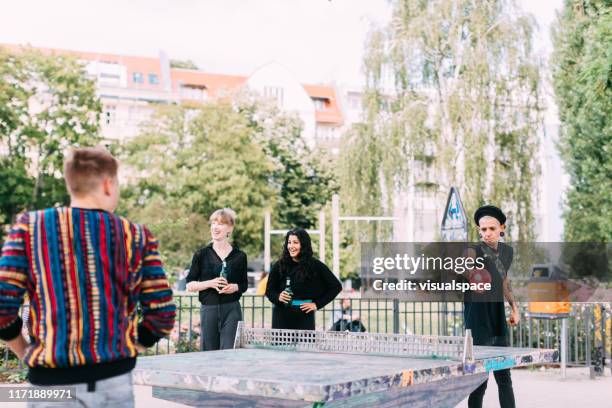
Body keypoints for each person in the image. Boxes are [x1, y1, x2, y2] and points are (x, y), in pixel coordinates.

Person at [0, 147, 176, 407]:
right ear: (108, 184)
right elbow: (162, 314)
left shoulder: (30, 227)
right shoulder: (136, 236)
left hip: (49, 384)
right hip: (113, 381)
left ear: (72, 184)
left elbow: (3, 304)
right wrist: (129, 349)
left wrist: (24, 351)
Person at [464, 205, 520, 408]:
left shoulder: (507, 252)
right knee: (479, 382)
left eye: (492, 229)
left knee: (504, 379)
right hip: (477, 322)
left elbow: (505, 281)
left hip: (497, 321)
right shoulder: (472, 250)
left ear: (501, 228)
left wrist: (515, 308)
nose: (487, 233)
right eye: (483, 229)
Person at [186, 208, 248, 351]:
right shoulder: (201, 254)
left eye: (220, 223)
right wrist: (210, 283)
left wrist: (234, 287)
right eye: (213, 223)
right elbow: (190, 285)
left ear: (230, 229)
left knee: (230, 352)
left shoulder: (240, 256)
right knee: (209, 353)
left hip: (232, 309)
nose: (215, 227)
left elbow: (244, 284)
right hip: (209, 310)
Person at [265, 228, 341, 330]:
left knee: (305, 346)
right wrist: (278, 296)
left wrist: (317, 304)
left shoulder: (316, 265)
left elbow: (336, 287)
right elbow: (269, 291)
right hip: (281, 316)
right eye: (289, 242)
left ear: (303, 245)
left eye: (295, 242)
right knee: (280, 346)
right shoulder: (279, 265)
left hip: (305, 317)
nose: (291, 246)